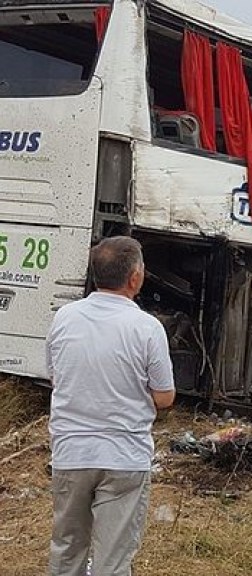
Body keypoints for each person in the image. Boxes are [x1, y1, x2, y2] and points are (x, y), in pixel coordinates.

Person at [47, 236, 176, 576]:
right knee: (112, 563)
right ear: (135, 278)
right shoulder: (148, 328)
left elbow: (57, 379)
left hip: (71, 453)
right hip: (123, 458)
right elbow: (164, 397)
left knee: (66, 550)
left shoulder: (64, 318)